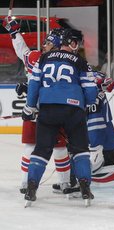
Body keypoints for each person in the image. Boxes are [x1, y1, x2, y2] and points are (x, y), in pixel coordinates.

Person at [21, 28, 98, 207]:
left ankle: (31, 187)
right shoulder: (80, 61)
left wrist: (30, 106)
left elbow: (33, 85)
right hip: (73, 110)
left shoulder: (43, 58)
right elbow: (91, 90)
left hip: (48, 110)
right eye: (74, 43)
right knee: (80, 150)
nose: (76, 46)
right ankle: (85, 186)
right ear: (70, 43)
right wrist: (87, 103)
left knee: (41, 150)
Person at [3, 17, 71, 194]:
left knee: (33, 146)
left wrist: (14, 32)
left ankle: (26, 183)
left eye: (48, 42)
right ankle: (64, 183)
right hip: (56, 108)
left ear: (55, 45)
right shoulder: (67, 61)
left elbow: (22, 51)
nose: (44, 45)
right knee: (59, 147)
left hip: (34, 109)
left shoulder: (36, 58)